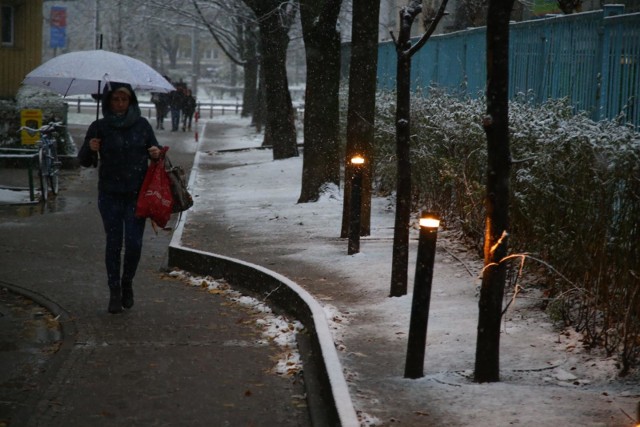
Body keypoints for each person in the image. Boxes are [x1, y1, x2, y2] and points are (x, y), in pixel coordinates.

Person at [78, 83, 162, 314]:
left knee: (134, 243)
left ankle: (127, 282)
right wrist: (89, 147)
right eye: (115, 99)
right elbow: (84, 161)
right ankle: (114, 290)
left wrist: (155, 153)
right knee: (114, 244)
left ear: (131, 101)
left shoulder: (142, 125)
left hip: (136, 195)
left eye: (124, 99)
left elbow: (154, 151)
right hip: (110, 194)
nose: (120, 104)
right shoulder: (99, 126)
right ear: (108, 101)